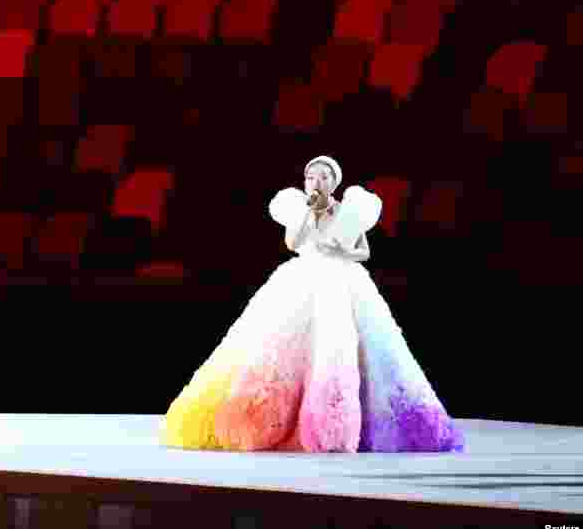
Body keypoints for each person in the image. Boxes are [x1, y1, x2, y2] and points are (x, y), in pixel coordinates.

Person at [161, 156, 464, 453]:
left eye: (323, 177)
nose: (317, 182)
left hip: (340, 280)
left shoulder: (347, 213)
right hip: (303, 278)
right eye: (311, 177)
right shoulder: (299, 211)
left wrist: (342, 248)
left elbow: (364, 252)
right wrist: (307, 215)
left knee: (341, 345)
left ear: (334, 182)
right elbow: (292, 244)